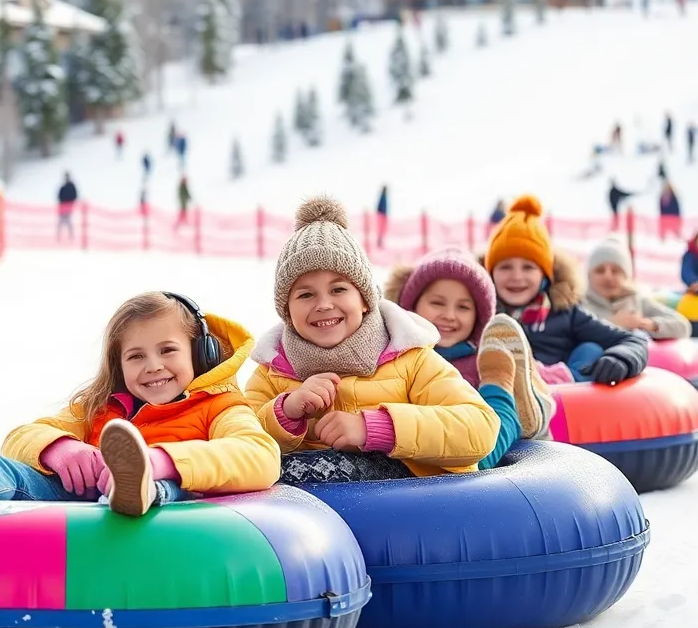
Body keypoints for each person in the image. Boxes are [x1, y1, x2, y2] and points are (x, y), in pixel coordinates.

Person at [0, 292, 280, 519]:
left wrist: (160, 461)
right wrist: (61, 449)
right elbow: (20, 437)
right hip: (79, 500)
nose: (153, 367)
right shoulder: (101, 408)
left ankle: (138, 487)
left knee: (175, 490)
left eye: (167, 351)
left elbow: (261, 456)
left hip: (172, 509)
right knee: (11, 472)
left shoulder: (219, 407)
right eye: (135, 356)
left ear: (201, 354)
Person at [243, 196, 497, 484]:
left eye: (338, 290)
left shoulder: (409, 360)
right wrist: (285, 412)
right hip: (311, 516)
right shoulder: (272, 373)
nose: (324, 304)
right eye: (305, 294)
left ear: (365, 300)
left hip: (407, 507)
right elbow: (236, 440)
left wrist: (377, 428)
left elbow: (480, 428)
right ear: (287, 311)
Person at [385, 248, 556, 470]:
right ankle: (505, 393)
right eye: (437, 303)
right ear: (412, 305)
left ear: (478, 317)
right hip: (429, 458)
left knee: (487, 427)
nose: (449, 315)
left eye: (463, 307)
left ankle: (516, 403)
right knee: (478, 440)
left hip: (479, 453)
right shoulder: (399, 358)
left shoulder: (480, 362)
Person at [486, 195, 649, 385]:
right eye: (505, 267)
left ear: (545, 275)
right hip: (498, 393)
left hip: (562, 398)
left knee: (590, 350)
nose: (516, 276)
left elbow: (633, 340)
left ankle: (562, 383)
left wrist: (620, 359)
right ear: (490, 274)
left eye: (528, 267)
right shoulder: (482, 313)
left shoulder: (566, 313)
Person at [582, 236, 691, 339]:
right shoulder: (580, 304)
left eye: (615, 271)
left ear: (626, 276)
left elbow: (682, 325)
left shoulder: (637, 300)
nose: (608, 277)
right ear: (589, 276)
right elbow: (572, 333)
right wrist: (611, 323)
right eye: (600, 271)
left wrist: (647, 324)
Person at [56, 172, 78, 241]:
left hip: (69, 207)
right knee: (61, 222)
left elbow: (74, 195)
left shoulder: (71, 186)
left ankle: (70, 236)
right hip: (62, 207)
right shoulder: (63, 187)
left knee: (68, 222)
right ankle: (59, 236)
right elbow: (59, 196)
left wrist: (70, 202)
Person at [374, 185, 388, 249]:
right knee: (380, 231)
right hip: (381, 217)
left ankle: (380, 243)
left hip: (383, 216)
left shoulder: (384, 196)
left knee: (381, 231)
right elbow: (379, 207)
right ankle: (379, 243)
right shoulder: (382, 197)